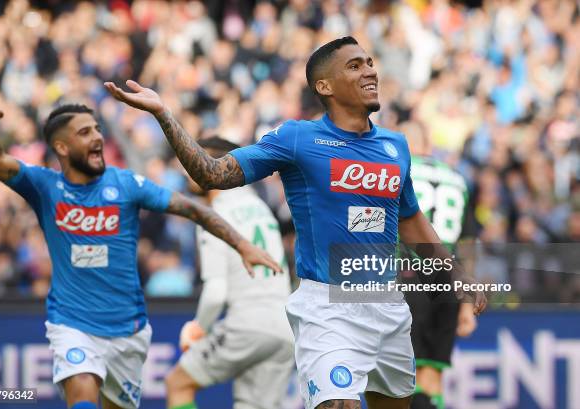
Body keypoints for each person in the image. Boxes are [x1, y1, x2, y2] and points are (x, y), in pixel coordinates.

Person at [105, 36, 487, 409]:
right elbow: (212, 174)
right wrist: (164, 115)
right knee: (338, 404)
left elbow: (412, 221)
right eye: (354, 66)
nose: (369, 71)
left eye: (369, 62)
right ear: (325, 86)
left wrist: (458, 279)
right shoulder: (298, 139)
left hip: (387, 304)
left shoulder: (395, 146)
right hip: (328, 308)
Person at [0, 82, 280, 409]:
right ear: (62, 147)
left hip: (127, 330)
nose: (97, 137)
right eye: (84, 132)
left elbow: (194, 208)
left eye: (96, 129)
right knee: (81, 389)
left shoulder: (126, 184)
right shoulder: (45, 186)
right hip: (72, 323)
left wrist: (241, 244)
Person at [164, 136, 294, 409]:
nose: (188, 169)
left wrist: (198, 328)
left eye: (193, 161)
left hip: (247, 323)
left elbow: (215, 293)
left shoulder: (217, 214)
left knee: (178, 383)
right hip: (285, 327)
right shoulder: (260, 207)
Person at [401, 122, 478, 409]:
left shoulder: (399, 173)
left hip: (408, 273)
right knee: (432, 375)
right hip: (448, 279)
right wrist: (468, 302)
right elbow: (468, 246)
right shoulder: (457, 180)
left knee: (398, 378)